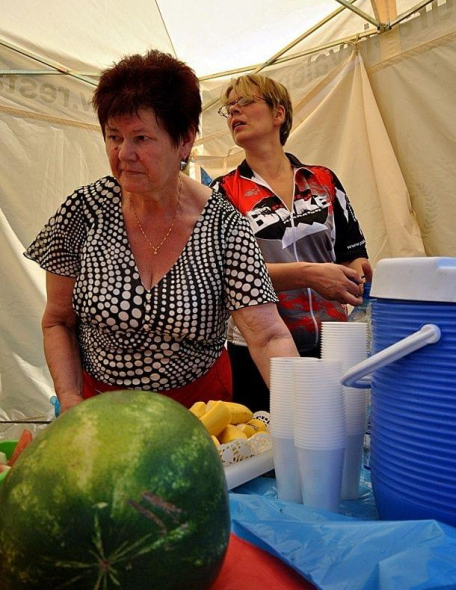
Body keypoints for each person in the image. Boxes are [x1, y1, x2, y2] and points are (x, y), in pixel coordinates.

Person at [24, 51, 298, 414]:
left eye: (141, 138)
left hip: (198, 412)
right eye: (113, 136)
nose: (124, 154)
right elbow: (57, 320)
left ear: (184, 140)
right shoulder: (83, 211)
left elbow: (268, 336)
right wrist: (72, 400)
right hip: (98, 409)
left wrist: (307, 413)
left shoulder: (223, 223)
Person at [212, 73, 372, 411]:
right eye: (229, 108)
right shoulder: (222, 192)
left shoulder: (323, 180)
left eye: (245, 102)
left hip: (333, 343)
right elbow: (227, 274)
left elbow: (352, 253)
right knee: (274, 453)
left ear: (278, 114)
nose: (234, 112)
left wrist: (358, 275)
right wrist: (308, 274)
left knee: (338, 438)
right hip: (256, 349)